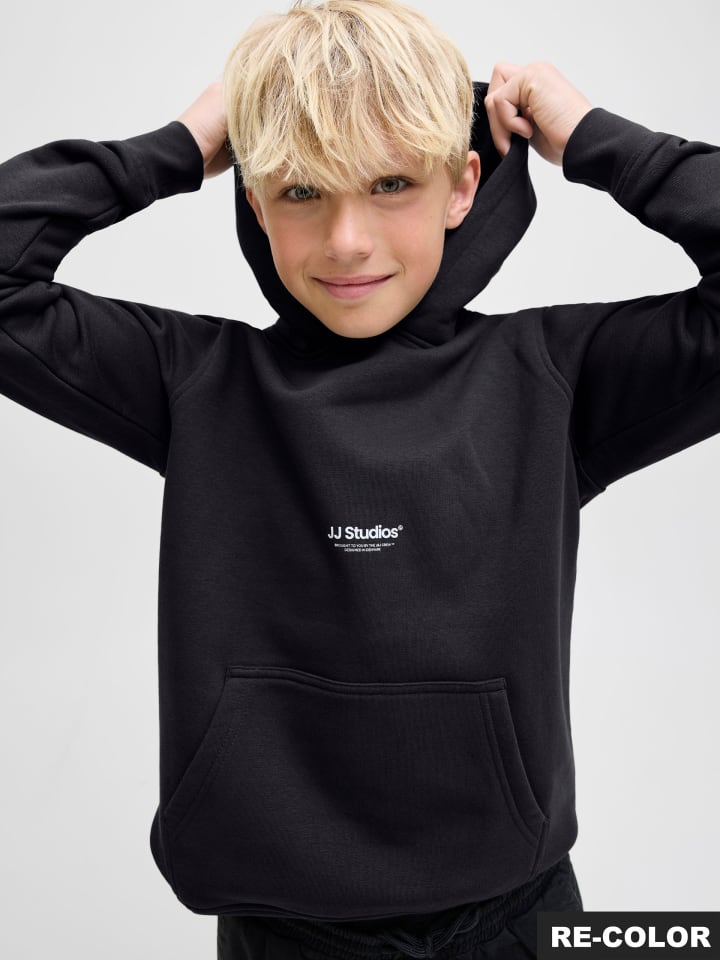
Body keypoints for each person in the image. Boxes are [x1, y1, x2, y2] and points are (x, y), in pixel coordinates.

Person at [0, 0, 718, 957]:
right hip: (281, 928)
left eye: (390, 184)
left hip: (516, 917)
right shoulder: (199, 383)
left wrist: (591, 136)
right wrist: (181, 144)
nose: (346, 240)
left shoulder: (553, 377)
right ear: (255, 199)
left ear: (462, 185)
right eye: (301, 190)